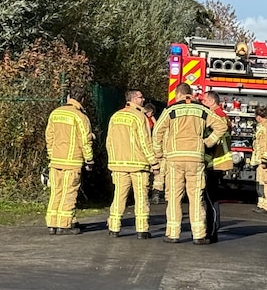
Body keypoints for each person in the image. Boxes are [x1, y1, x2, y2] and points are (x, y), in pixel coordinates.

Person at [152, 82, 227, 244]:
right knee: (196, 198)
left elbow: (157, 132)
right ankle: (199, 235)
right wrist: (207, 141)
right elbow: (222, 126)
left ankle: (173, 233)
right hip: (196, 158)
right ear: (191, 94)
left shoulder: (170, 110)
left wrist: (158, 154)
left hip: (174, 159)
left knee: (174, 197)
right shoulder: (202, 110)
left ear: (177, 94)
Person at [105, 90, 160, 239]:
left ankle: (114, 227)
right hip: (138, 165)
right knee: (141, 197)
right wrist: (154, 162)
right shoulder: (139, 117)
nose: (143, 100)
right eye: (141, 97)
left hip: (118, 164)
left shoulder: (115, 116)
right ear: (134, 99)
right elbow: (145, 142)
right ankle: (142, 230)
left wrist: (112, 160)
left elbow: (109, 141)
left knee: (119, 197)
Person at [45, 86, 95, 235]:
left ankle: (52, 223)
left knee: (56, 192)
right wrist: (89, 160)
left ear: (68, 97)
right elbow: (85, 140)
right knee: (69, 192)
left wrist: (51, 154)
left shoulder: (55, 113)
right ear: (82, 100)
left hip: (55, 160)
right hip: (72, 161)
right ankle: (64, 225)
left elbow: (49, 136)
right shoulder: (80, 117)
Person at [201, 90, 233, 243]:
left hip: (214, 162)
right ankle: (211, 230)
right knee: (210, 198)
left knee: (210, 199)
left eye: (205, 100)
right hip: (216, 162)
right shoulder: (222, 114)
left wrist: (204, 143)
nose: (202, 102)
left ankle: (212, 232)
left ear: (212, 101)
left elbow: (214, 137)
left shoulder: (217, 115)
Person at [252, 104, 267, 214]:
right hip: (260, 159)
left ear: (258, 117)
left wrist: (264, 159)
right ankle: (261, 204)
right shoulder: (262, 126)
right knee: (260, 182)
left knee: (266, 182)